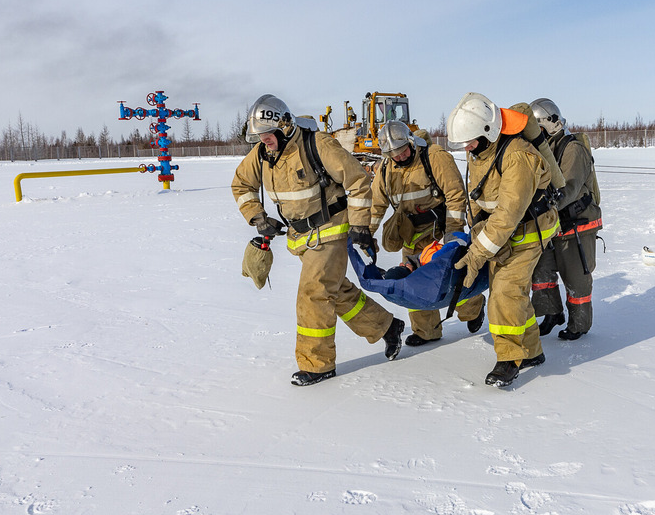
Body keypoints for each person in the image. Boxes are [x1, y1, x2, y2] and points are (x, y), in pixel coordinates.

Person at [232, 94, 405, 386]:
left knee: (313, 294)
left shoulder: (317, 144)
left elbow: (358, 181)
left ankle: (317, 363)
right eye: (259, 136)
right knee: (334, 291)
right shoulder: (262, 153)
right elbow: (241, 184)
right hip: (301, 237)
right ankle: (387, 326)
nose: (264, 141)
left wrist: (361, 226)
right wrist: (258, 217)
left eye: (268, 135)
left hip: (331, 230)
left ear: (284, 126)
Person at [446, 93, 559, 387]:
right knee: (512, 292)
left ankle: (509, 359)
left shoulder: (517, 156)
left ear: (488, 131)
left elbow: (508, 214)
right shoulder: (480, 152)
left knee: (505, 292)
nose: (466, 148)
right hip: (505, 233)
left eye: (469, 141)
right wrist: (474, 230)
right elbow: (481, 198)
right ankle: (532, 352)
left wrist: (476, 255)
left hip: (530, 230)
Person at [369, 120, 485, 345]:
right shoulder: (385, 170)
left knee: (452, 279)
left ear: (410, 143)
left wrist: (452, 234)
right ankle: (426, 331)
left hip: (440, 232)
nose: (399, 157)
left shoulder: (434, 157)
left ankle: (473, 309)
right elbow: (376, 206)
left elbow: (455, 195)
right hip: (411, 235)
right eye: (393, 154)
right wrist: (367, 234)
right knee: (414, 284)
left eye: (402, 151)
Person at [529, 98, 603, 340]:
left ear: (553, 123)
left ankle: (579, 324)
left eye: (538, 128)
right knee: (542, 271)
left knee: (576, 279)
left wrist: (544, 206)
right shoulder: (543, 150)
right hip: (552, 224)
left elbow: (568, 189)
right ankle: (552, 313)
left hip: (576, 224)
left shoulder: (572, 149)